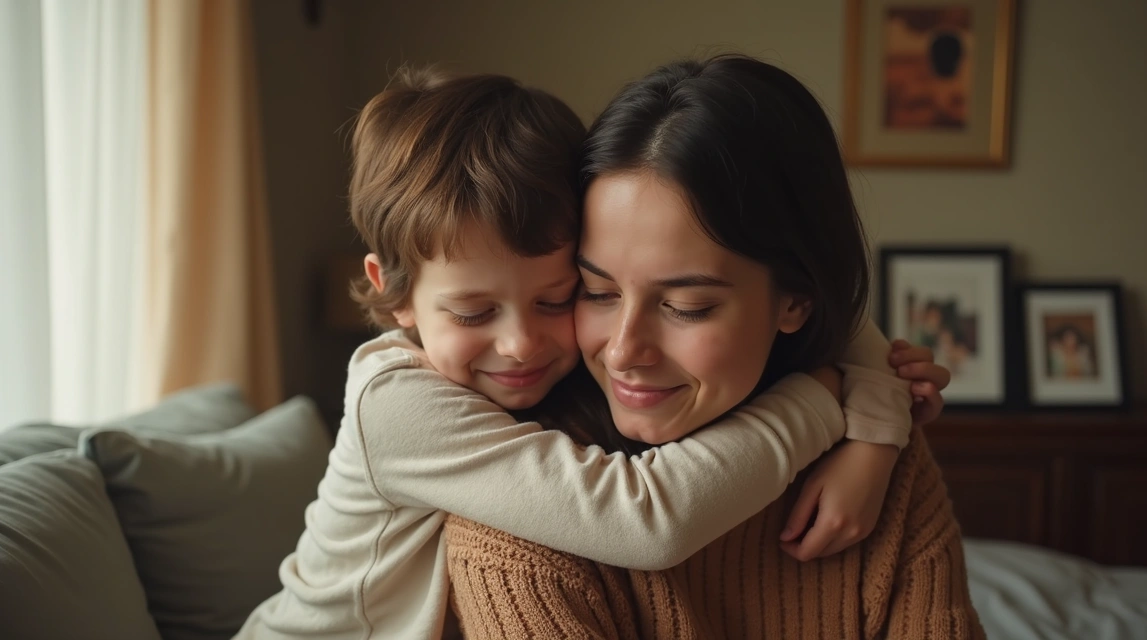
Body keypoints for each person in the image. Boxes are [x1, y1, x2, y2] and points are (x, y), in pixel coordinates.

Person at [237, 69, 947, 639]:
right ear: (391, 295)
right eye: (474, 311)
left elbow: (819, 301)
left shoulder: (540, 377)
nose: (521, 344)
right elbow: (644, 519)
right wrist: (827, 399)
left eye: (560, 298)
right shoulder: (399, 406)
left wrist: (880, 420)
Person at [446, 55, 983, 639]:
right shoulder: (519, 493)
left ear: (794, 301)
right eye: (596, 291)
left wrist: (874, 415)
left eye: (687, 307)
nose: (624, 351)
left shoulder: (880, 458)